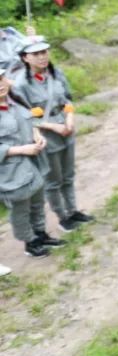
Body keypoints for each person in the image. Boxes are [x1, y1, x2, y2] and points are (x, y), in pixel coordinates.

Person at [13, 36, 94, 231]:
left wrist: (70, 119)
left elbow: (67, 99)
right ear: (25, 58)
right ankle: (62, 216)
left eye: (44, 52)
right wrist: (52, 126)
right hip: (46, 137)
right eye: (36, 54)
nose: (42, 57)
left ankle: (73, 210)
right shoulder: (21, 84)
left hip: (66, 130)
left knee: (68, 175)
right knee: (53, 180)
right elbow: (24, 117)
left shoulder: (56, 73)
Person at [0, 68, 60, 258]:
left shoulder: (14, 100)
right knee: (20, 208)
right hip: (12, 169)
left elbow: (30, 120)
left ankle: (40, 233)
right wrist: (19, 150)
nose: (1, 84)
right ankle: (29, 242)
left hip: (33, 162)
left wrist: (37, 134)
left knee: (37, 201)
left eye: (1, 78)